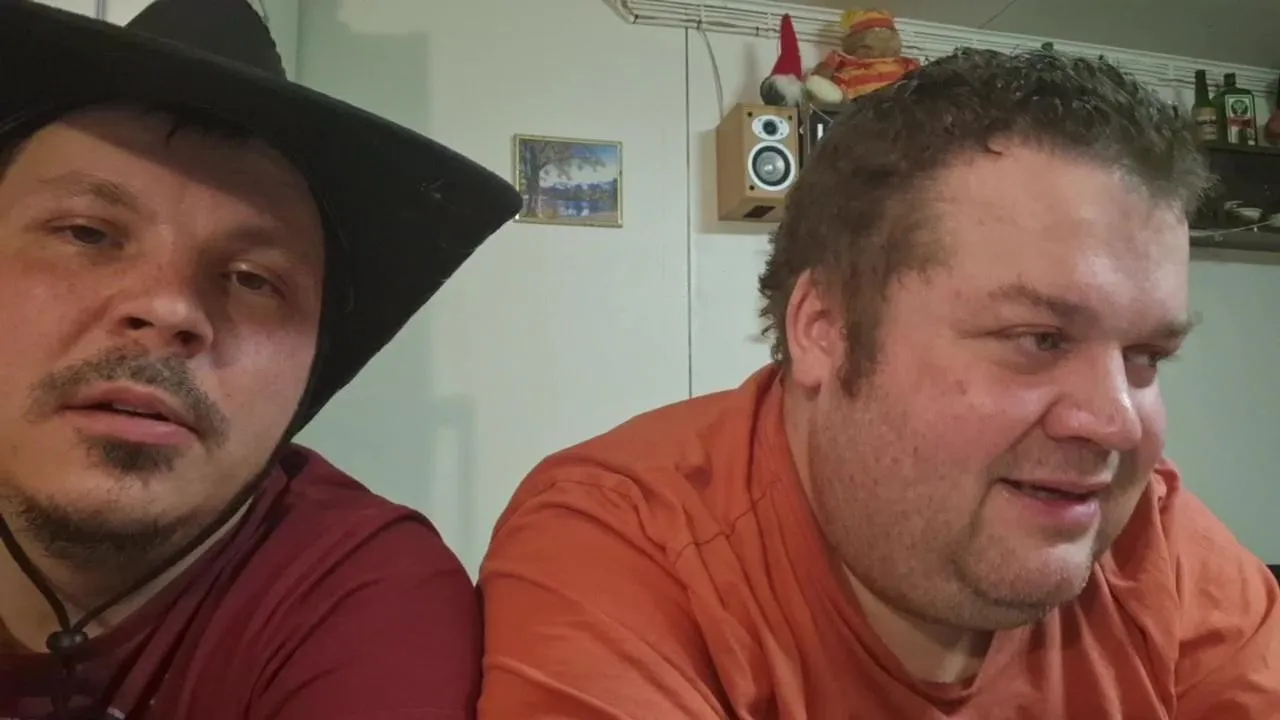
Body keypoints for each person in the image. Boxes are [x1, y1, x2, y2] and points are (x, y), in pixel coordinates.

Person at [478, 48, 1280, 718]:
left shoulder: (1154, 544)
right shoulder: (629, 544)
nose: (1116, 424)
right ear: (824, 328)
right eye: (1038, 339)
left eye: (1146, 356)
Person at [0, 1, 520, 718]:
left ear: (313, 366)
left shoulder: (361, 594)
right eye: (88, 233)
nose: (171, 308)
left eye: (253, 279)